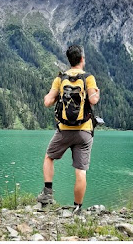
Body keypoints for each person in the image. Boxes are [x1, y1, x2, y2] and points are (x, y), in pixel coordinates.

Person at [37, 45, 100, 213]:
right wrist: (96, 93)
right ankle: (77, 208)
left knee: (49, 157)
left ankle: (48, 193)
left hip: (64, 130)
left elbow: (47, 102)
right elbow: (93, 100)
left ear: (69, 60)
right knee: (80, 171)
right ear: (81, 59)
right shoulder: (88, 78)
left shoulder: (60, 78)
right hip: (84, 131)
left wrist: (52, 95)